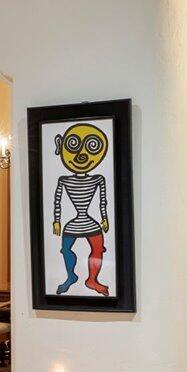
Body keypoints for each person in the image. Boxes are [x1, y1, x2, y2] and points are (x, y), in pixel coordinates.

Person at [51, 121, 111, 295]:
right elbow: (58, 201)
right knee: (66, 248)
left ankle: (92, 280)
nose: (81, 154)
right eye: (74, 145)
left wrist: (104, 218)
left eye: (92, 146)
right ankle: (71, 276)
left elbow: (103, 201)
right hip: (73, 222)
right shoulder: (64, 180)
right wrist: (57, 221)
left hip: (91, 222)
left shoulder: (98, 179)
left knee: (98, 248)